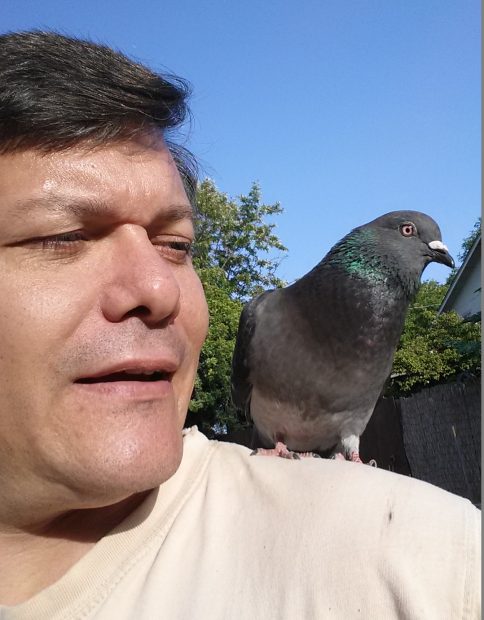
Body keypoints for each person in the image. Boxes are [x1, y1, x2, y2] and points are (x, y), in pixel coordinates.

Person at [0, 30, 479, 620]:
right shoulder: (272, 309)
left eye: (176, 245)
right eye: (64, 237)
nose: (159, 289)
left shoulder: (435, 560)